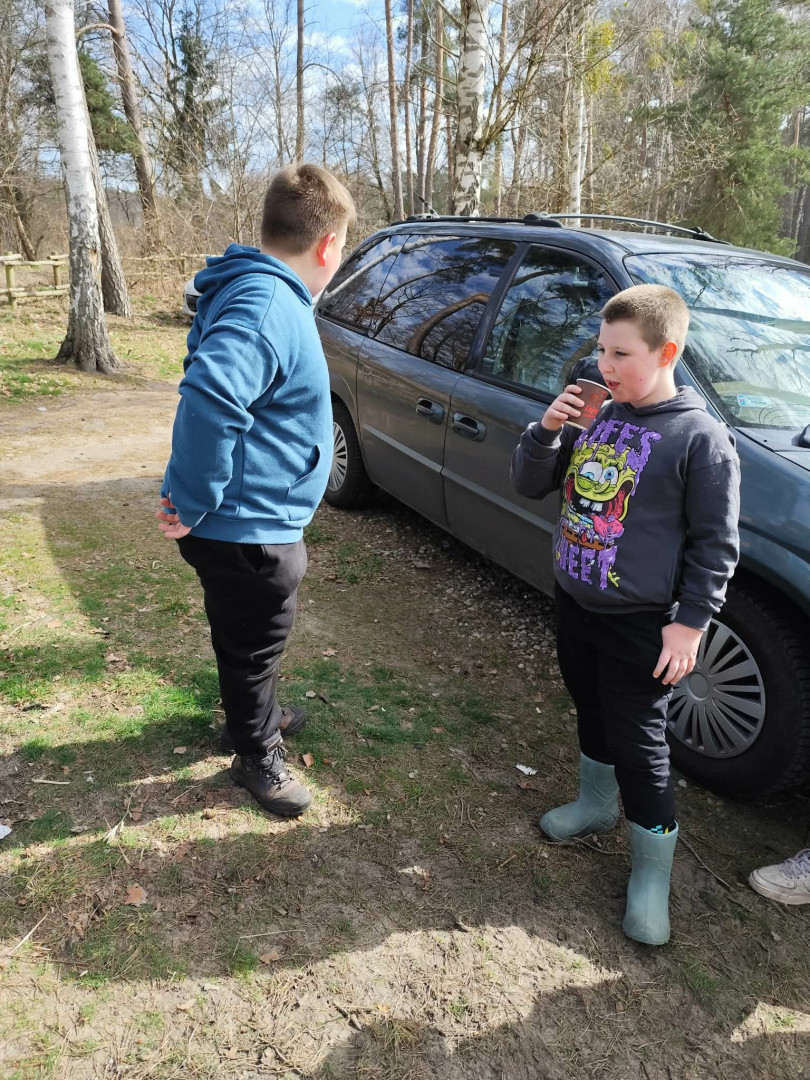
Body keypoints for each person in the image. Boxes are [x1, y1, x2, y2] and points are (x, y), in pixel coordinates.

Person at [511, 284, 740, 945]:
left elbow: (716, 544)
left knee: (641, 744)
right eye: (601, 349)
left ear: (667, 353)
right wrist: (547, 431)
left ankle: (650, 874)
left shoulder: (700, 438)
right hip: (576, 601)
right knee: (589, 704)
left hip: (643, 622)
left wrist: (690, 623)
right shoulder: (600, 413)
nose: (603, 365)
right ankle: (595, 803)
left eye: (621, 354)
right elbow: (530, 482)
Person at [156, 163, 355, 818]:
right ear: (328, 245)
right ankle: (256, 752)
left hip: (250, 520)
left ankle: (253, 715)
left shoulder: (261, 291)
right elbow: (211, 395)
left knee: (246, 636)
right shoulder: (267, 303)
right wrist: (192, 500)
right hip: (246, 528)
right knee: (253, 642)